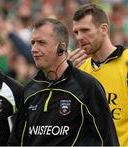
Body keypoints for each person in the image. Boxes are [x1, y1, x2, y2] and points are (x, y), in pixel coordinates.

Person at [8, 18, 119, 146]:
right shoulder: (29, 90)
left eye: (41, 42)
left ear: (62, 47)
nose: (34, 49)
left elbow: (108, 141)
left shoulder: (87, 86)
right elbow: (16, 142)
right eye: (32, 43)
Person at [69, 3, 128, 146]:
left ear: (104, 29)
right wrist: (66, 79)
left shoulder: (126, 62)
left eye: (85, 30)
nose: (79, 37)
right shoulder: (78, 68)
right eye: (76, 32)